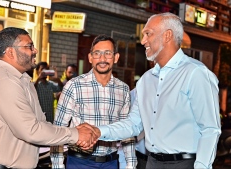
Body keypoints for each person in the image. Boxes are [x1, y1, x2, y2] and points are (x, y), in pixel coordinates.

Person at [88, 12, 221, 169]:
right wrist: (97, 131)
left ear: (167, 35)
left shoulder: (195, 73)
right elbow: (133, 124)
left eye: (148, 34)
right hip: (152, 163)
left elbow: (210, 129)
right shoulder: (146, 80)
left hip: (186, 164)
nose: (143, 41)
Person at [0, 27, 98, 169]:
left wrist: (75, 132)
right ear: (10, 52)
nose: (35, 51)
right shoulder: (4, 81)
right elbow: (30, 131)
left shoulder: (23, 80)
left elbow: (40, 125)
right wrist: (76, 134)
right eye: (29, 46)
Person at [51, 34, 137, 169]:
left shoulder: (123, 89)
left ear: (116, 58)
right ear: (90, 58)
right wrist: (57, 165)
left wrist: (131, 164)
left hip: (111, 163)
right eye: (97, 53)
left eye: (108, 53)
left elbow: (126, 130)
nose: (102, 59)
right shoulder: (74, 86)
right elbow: (58, 129)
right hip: (79, 163)